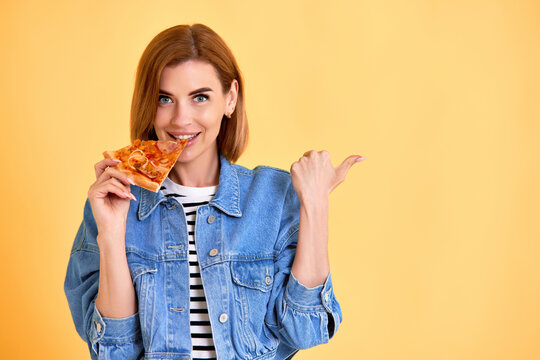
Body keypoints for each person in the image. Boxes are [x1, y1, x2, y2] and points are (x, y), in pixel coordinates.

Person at [64, 23, 364, 360]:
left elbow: (305, 328)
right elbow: (115, 351)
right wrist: (112, 232)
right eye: (165, 99)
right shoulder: (112, 202)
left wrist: (315, 203)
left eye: (200, 97)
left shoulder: (273, 197)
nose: (181, 118)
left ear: (230, 98)